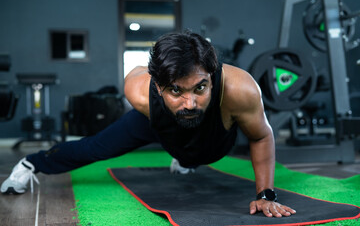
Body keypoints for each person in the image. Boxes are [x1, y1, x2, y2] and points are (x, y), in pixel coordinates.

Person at [1, 31, 296, 218]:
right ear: (157, 87)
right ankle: (29, 164)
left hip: (214, 132)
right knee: (94, 147)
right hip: (154, 122)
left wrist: (265, 194)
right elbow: (144, 72)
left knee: (197, 154)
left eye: (200, 88)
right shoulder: (139, 90)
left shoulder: (240, 89)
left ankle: (184, 159)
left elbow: (261, 137)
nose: (190, 102)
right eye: (176, 90)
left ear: (212, 74)